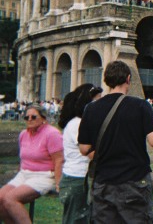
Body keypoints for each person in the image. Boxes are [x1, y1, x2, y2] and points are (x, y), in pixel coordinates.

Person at [78, 60, 153, 223]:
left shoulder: (91, 108)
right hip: (134, 180)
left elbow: (84, 148)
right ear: (128, 79)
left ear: (107, 81)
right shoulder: (140, 105)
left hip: (103, 183)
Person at [0, 104, 63, 223]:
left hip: (44, 176)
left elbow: (59, 160)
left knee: (10, 199)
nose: (29, 119)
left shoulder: (52, 134)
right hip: (24, 174)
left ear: (43, 118)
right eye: (26, 117)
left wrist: (58, 183)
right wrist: (19, 175)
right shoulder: (23, 134)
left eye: (33, 117)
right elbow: (23, 158)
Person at [58, 84, 103, 224]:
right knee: (76, 220)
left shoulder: (79, 122)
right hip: (77, 179)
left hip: (77, 178)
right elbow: (90, 153)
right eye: (97, 101)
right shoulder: (78, 124)